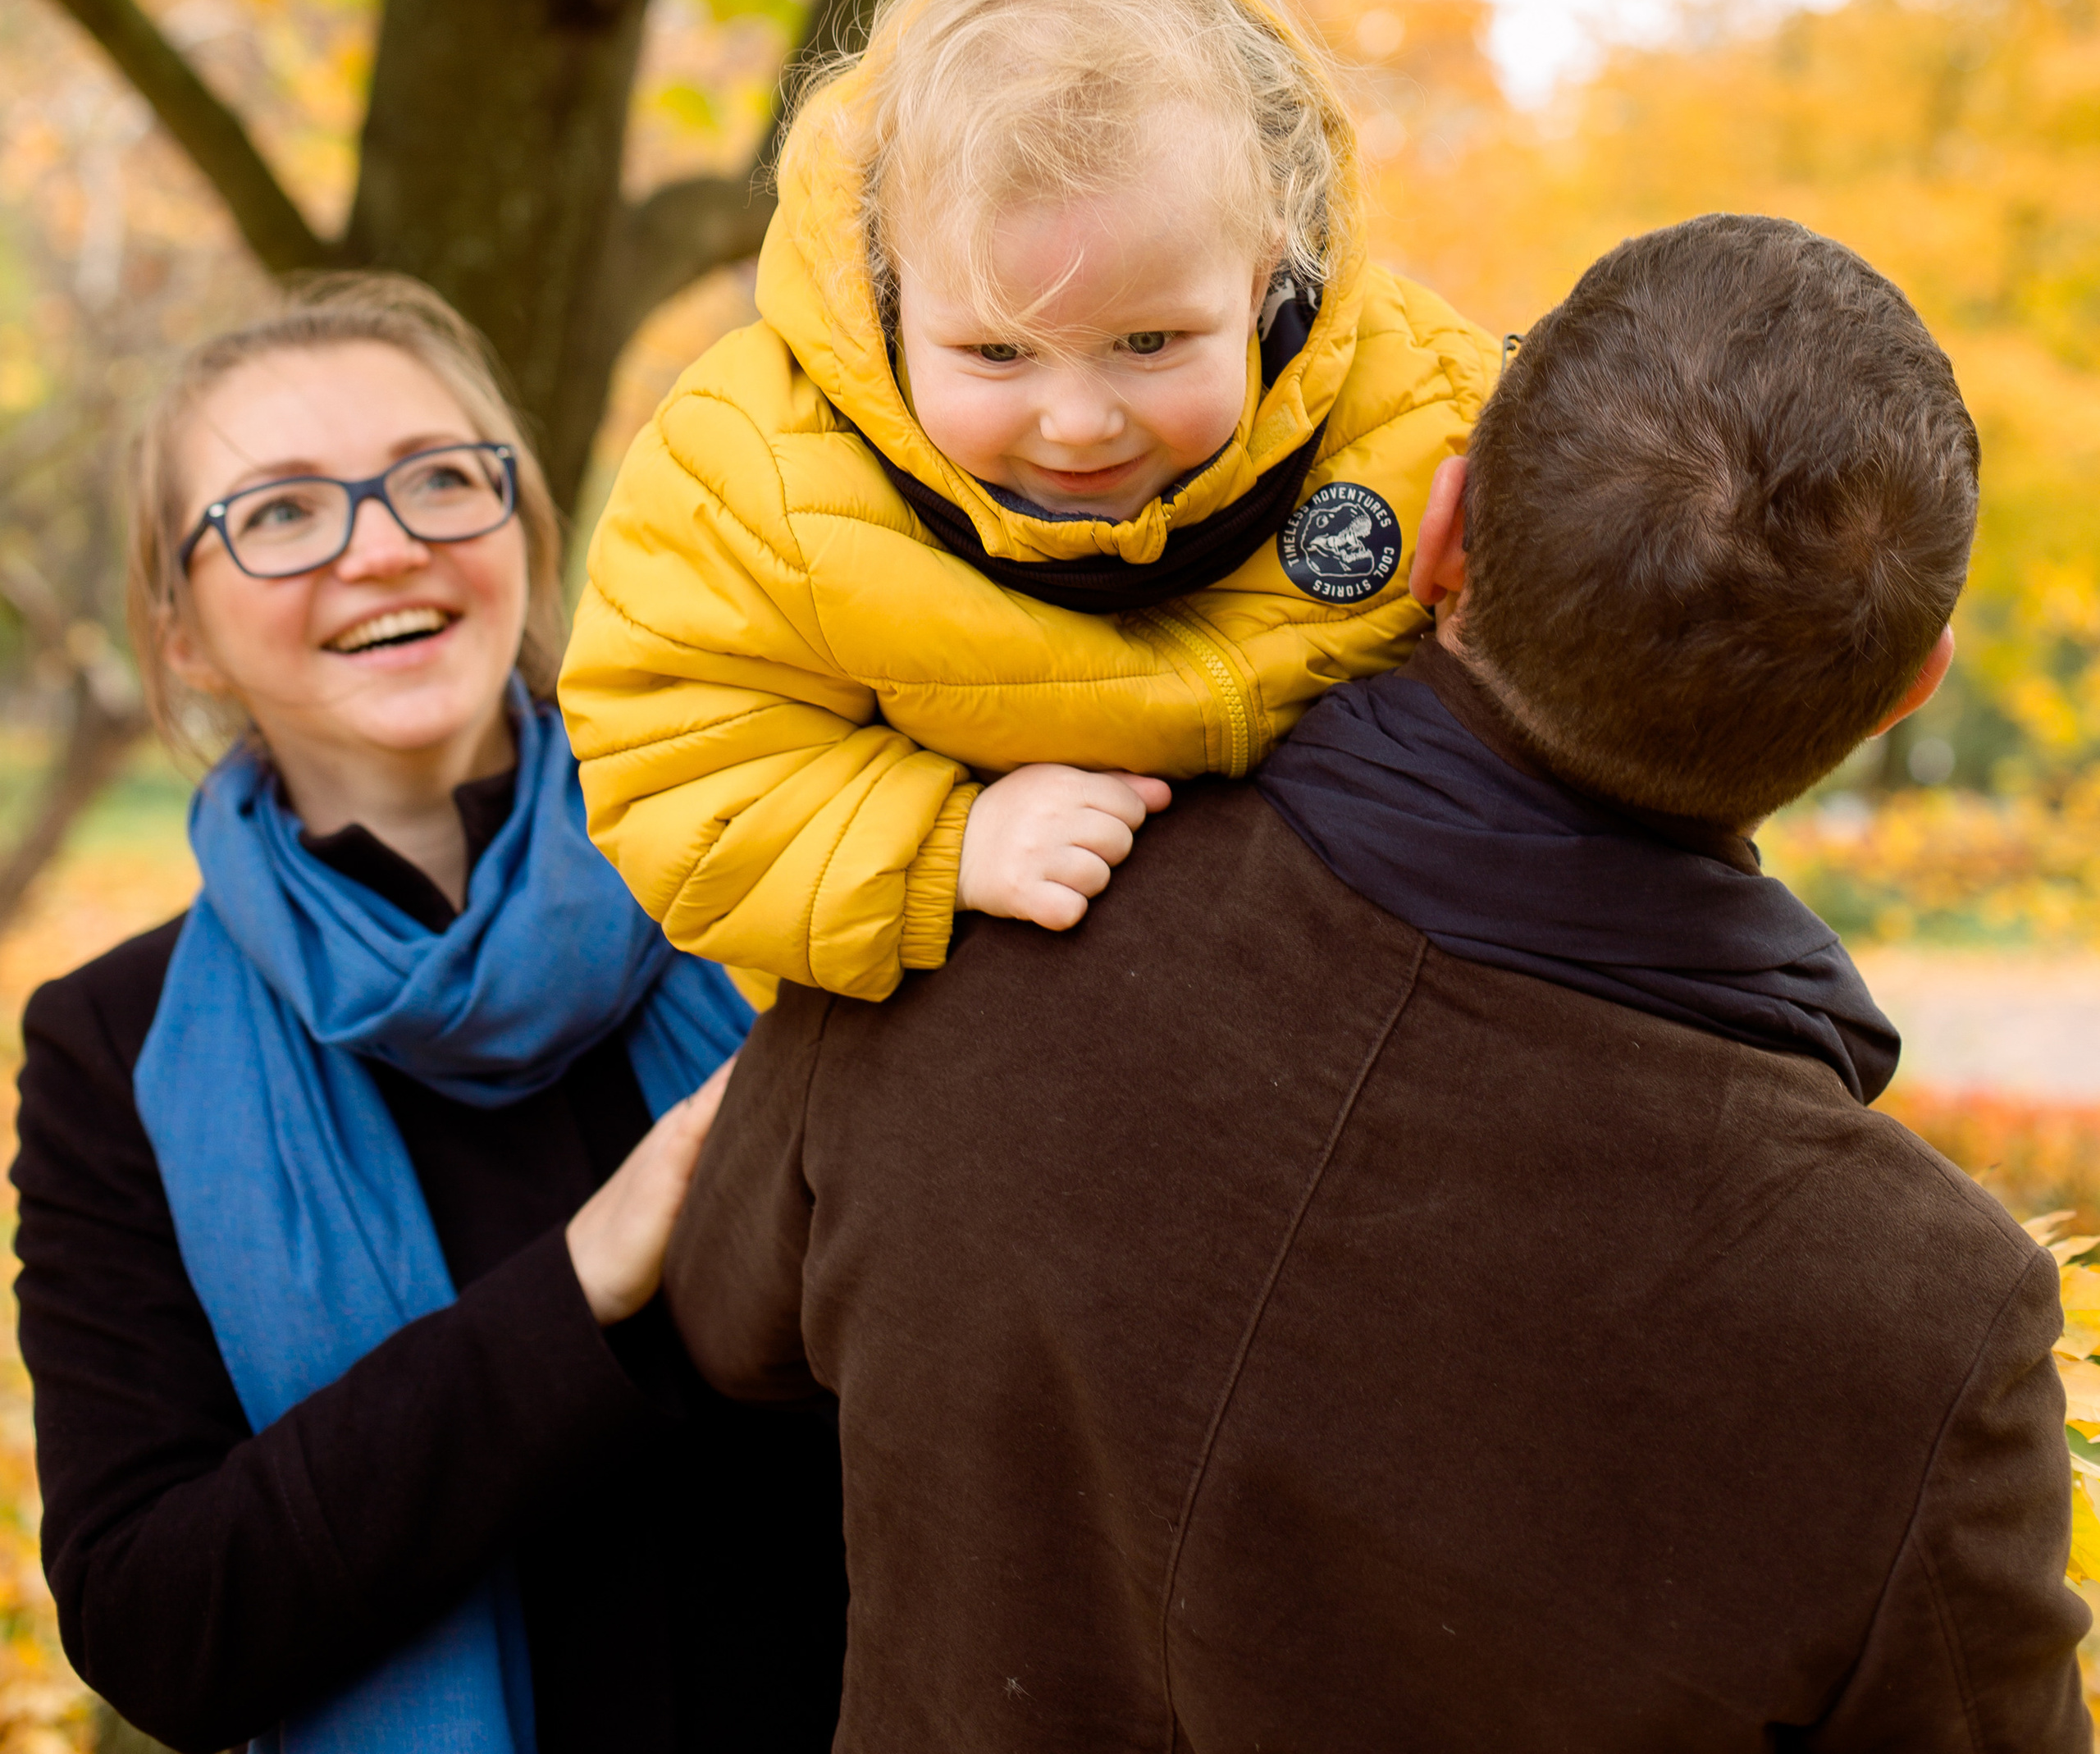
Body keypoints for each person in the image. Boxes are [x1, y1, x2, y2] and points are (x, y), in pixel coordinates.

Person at [667, 213, 2091, 1752]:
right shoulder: (1919, 1321)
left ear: (1445, 530)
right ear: (1905, 690)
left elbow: (722, 1322)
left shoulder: (979, 897)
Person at [12, 274, 847, 1754]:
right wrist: (585, 1276)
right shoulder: (113, 1047)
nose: (383, 544)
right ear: (185, 629)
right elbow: (157, 1622)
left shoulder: (787, 881)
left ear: (525, 537)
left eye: (439, 480)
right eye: (277, 512)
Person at [562, 0, 1495, 999]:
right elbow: (683, 778)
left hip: (1359, 983)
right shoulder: (754, 477)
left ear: (1262, 274)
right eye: (998, 353)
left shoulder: (1432, 409)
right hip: (973, 1035)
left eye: (1148, 344)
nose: (1078, 420)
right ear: (889, 293)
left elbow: (1590, 640)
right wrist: (945, 843)